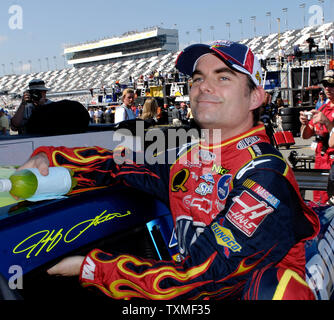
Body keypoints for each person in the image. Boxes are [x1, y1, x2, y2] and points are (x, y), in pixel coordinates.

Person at [17, 40, 319, 300]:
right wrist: (53, 158)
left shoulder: (264, 175)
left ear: (256, 97)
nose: (203, 87)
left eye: (223, 77)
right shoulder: (193, 157)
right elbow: (121, 166)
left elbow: (203, 278)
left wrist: (94, 268)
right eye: (197, 79)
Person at [299, 70, 334, 204]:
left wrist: (327, 122)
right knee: (318, 203)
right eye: (325, 84)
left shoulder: (324, 113)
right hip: (320, 162)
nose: (327, 88)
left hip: (332, 164)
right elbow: (306, 135)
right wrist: (304, 123)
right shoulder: (323, 108)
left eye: (331, 84)